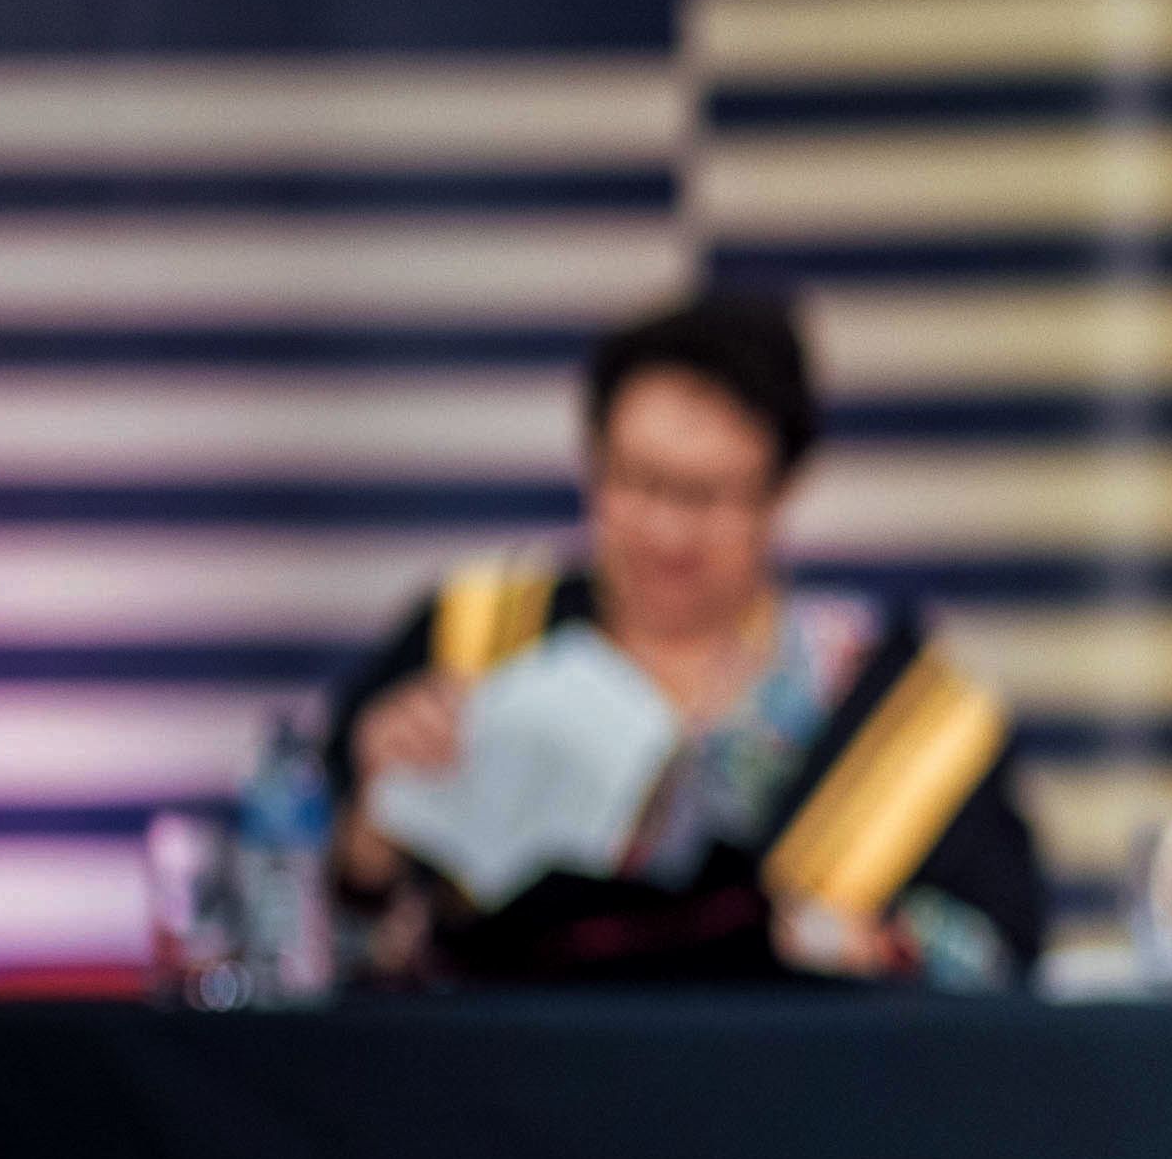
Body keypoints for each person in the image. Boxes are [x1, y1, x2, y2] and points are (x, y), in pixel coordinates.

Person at [323, 286, 1046, 986]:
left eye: (707, 496)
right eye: (637, 482)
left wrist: (827, 942)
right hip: (508, 1063)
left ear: (782, 491)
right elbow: (311, 951)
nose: (667, 532)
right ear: (591, 463)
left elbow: (997, 959)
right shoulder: (474, 637)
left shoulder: (895, 707)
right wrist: (369, 841)